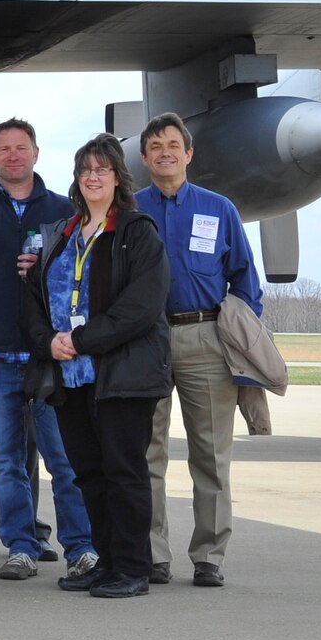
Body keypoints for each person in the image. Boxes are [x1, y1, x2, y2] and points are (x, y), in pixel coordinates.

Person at [0, 119, 98, 583]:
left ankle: (81, 548)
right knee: (6, 463)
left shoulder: (66, 211)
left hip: (52, 360)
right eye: (3, 149)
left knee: (65, 461)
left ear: (36, 153)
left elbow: (81, 283)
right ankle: (21, 548)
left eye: (21, 148)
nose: (13, 156)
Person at [24, 135, 172, 599]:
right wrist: (49, 342)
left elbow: (141, 308)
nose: (92, 176)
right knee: (87, 471)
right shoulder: (62, 234)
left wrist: (81, 340)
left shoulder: (136, 231)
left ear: (117, 178)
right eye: (86, 169)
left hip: (121, 376)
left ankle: (132, 567)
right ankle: (105, 561)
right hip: (70, 377)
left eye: (102, 169)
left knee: (124, 472)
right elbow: (32, 300)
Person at [136, 111, 262, 587]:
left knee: (210, 454)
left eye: (173, 144)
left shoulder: (218, 209)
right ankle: (152, 554)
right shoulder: (133, 210)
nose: (165, 152)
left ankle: (209, 555)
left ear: (188, 154)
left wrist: (238, 337)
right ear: (145, 158)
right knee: (146, 453)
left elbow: (246, 280)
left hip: (205, 337)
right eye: (155, 146)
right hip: (146, 341)